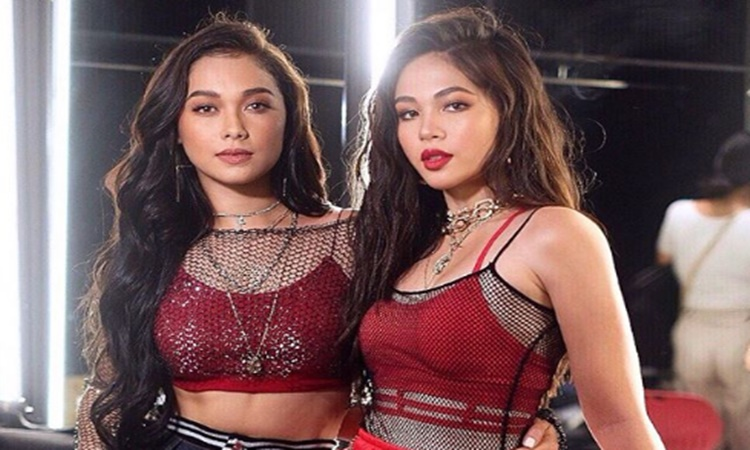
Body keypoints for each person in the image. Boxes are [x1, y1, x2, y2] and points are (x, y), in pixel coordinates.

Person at [75, 13, 561, 450]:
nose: (233, 128)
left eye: (257, 105)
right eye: (205, 108)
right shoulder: (157, 244)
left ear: (290, 118)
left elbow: (464, 336)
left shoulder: (360, 236)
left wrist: (531, 420)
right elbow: (107, 391)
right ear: (176, 127)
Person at [345, 7, 665, 450]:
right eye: (408, 113)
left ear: (508, 112)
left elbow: (619, 421)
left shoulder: (555, 234)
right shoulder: (402, 236)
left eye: (454, 105)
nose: (427, 131)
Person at [656, 131, 750, 450]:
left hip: (692, 328)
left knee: (698, 424)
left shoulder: (679, 212)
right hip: (742, 333)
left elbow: (663, 258)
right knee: (744, 423)